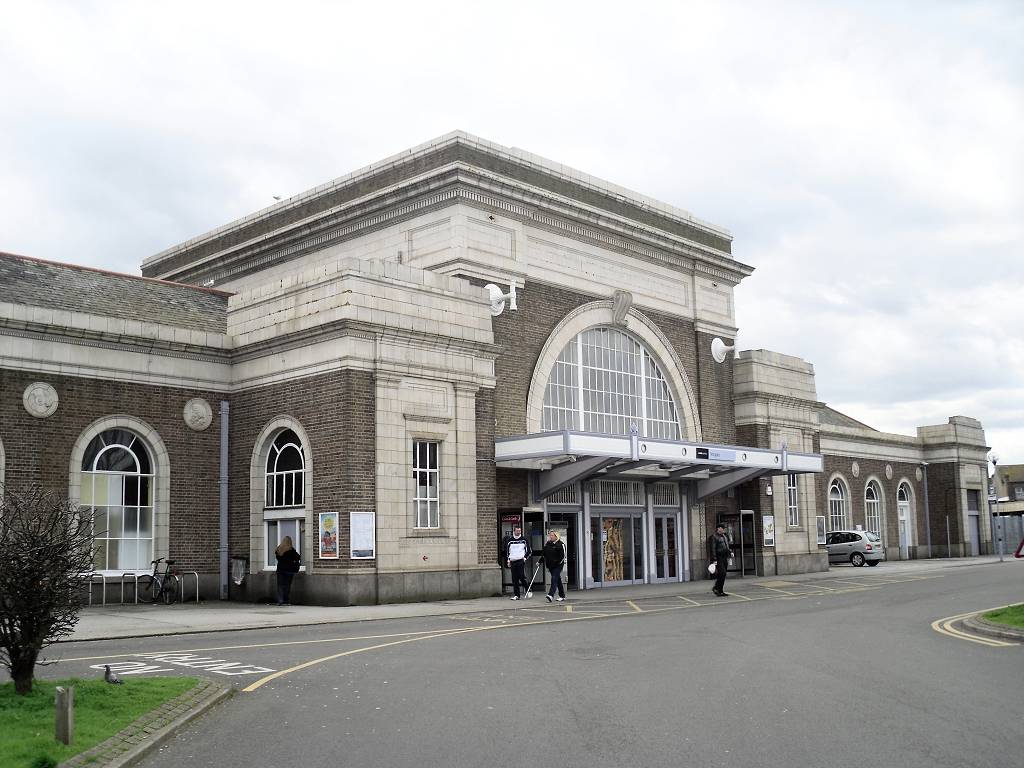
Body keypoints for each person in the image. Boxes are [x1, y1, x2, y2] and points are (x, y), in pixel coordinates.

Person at [505, 525, 532, 599]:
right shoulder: (510, 540)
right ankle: (517, 595)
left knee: (521, 576)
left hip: (520, 560)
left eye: (519, 531)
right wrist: (508, 560)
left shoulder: (524, 540)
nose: (518, 532)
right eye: (517, 531)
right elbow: (507, 551)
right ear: (514, 531)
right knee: (514, 578)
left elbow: (529, 551)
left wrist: (524, 558)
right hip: (513, 561)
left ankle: (528, 589)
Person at [541, 530, 567, 602]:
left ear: (556, 536)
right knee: (557, 580)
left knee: (554, 578)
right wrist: (540, 561)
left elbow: (563, 556)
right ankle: (562, 596)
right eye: (550, 535)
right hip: (550, 565)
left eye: (552, 535)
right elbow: (544, 554)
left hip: (558, 565)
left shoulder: (561, 544)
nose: (550, 537)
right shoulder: (548, 544)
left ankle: (550, 595)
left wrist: (557, 562)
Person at [707, 523, 732, 597]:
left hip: (724, 557)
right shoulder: (714, 537)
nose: (724, 529)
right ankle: (716, 588)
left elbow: (727, 546)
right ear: (718, 528)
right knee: (722, 573)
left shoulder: (724, 536)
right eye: (723, 528)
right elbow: (713, 549)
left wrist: (730, 552)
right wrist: (714, 559)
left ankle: (720, 590)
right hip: (718, 557)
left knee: (723, 574)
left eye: (724, 528)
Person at [275, 535, 301, 605]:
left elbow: (278, 558)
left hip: (280, 569)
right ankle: (286, 601)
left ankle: (280, 601)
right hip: (289, 570)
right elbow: (298, 557)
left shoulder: (278, 549)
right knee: (287, 586)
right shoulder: (291, 550)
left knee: (280, 586)